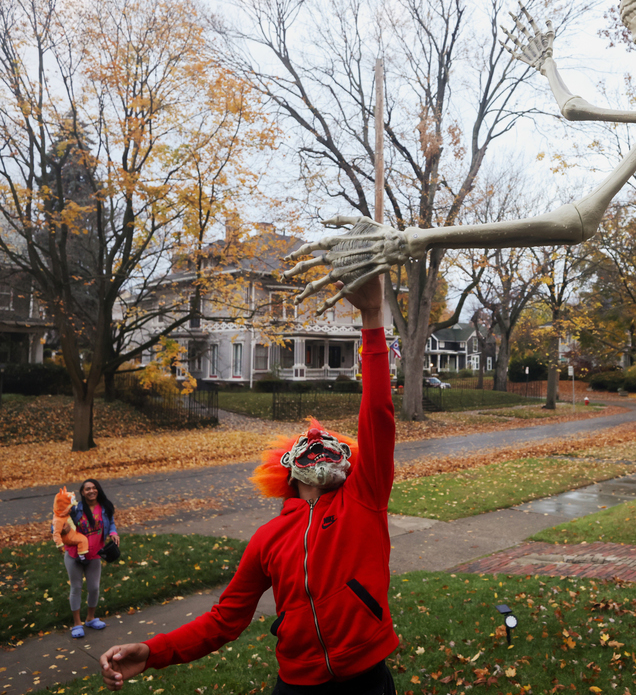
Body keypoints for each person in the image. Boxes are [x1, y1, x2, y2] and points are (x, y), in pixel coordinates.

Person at [99, 276, 398, 695]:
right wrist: (152, 651)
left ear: (349, 465)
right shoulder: (268, 539)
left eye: (329, 444)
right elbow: (226, 619)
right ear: (288, 473)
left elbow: (379, 415)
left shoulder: (364, 499)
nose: (317, 443)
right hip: (296, 683)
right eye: (305, 446)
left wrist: (371, 315)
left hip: (366, 679)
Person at [63, 479, 119, 638]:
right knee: (76, 588)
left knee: (94, 588)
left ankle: (90, 618)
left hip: (95, 555)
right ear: (82, 492)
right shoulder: (75, 509)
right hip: (74, 555)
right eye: (87, 489)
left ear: (98, 490)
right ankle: (77, 624)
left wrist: (113, 533)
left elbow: (111, 523)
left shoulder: (105, 507)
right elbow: (57, 524)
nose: (91, 491)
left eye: (94, 488)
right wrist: (62, 529)